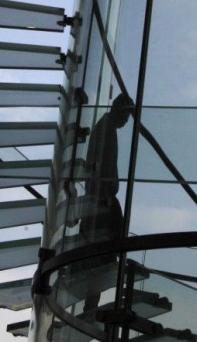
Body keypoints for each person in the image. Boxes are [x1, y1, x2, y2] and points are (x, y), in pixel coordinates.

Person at [80, 93, 133, 312]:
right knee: (103, 249)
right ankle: (91, 302)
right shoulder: (105, 129)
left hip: (103, 196)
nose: (127, 121)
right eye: (127, 116)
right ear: (120, 111)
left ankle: (92, 300)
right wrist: (104, 194)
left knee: (105, 248)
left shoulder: (106, 127)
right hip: (102, 198)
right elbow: (101, 165)